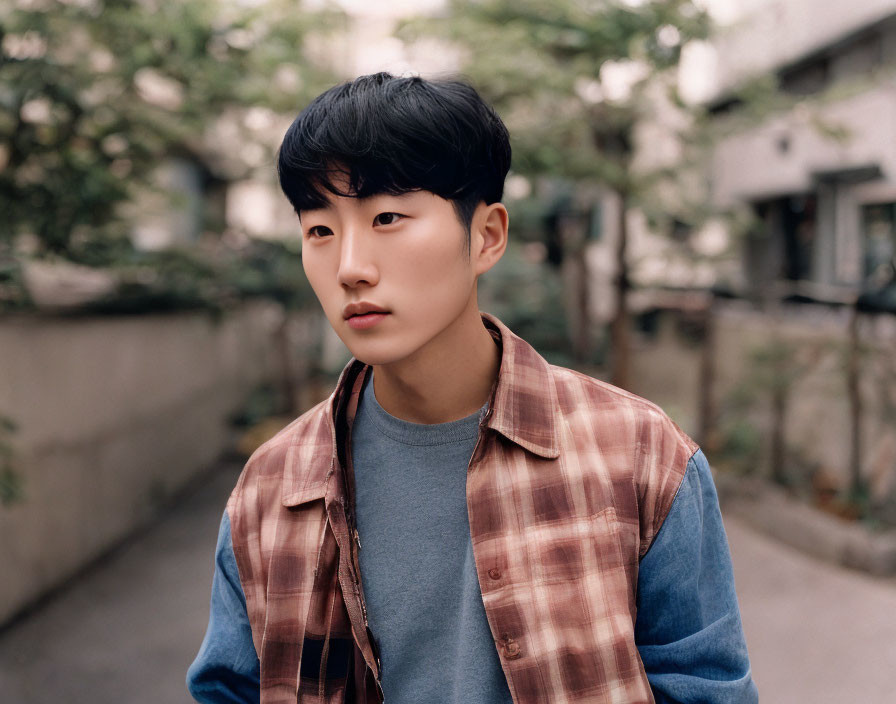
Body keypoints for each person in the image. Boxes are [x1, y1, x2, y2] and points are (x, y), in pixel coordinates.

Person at [187, 72, 758, 704]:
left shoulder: (640, 454)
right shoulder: (271, 488)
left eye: (386, 217)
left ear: (485, 236)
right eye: (320, 230)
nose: (350, 267)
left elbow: (707, 690)